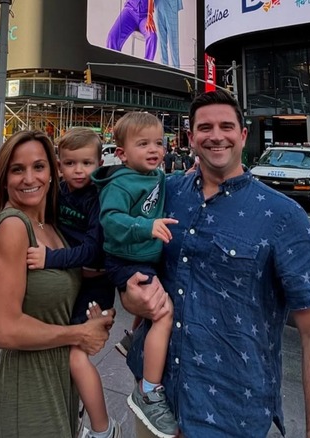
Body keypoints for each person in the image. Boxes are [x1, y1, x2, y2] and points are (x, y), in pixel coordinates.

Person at [123, 89, 310, 437]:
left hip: (230, 415)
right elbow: (135, 260)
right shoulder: (166, 193)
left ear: (243, 135)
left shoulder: (283, 215)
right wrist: (129, 296)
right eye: (204, 127)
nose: (216, 136)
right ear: (191, 137)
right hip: (155, 406)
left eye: (226, 126)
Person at [0, 129, 115, 438]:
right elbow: (3, 330)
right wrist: (80, 333)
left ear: (51, 170)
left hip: (60, 383)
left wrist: (97, 318)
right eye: (18, 169)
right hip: (29, 389)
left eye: (38, 167)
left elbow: (68, 279)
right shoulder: (14, 226)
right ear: (4, 178)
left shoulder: (51, 224)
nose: (30, 178)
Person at [25, 128, 120, 438]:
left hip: (95, 287)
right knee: (62, 347)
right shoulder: (58, 192)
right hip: (76, 279)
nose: (78, 171)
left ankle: (103, 430)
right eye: (70, 163)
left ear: (99, 161)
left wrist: (50, 258)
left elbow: (93, 251)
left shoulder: (98, 197)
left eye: (87, 163)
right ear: (59, 164)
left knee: (76, 355)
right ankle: (74, 412)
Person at [91, 112, 178, 437]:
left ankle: (135, 342)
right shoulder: (121, 182)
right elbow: (111, 219)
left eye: (159, 142)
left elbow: (166, 184)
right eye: (143, 144)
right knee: (164, 313)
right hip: (126, 261)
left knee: (152, 309)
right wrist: (146, 226)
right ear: (123, 153)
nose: (154, 149)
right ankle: (149, 390)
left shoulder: (155, 176)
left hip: (144, 259)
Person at [154, 0, 182, 67]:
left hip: (171, 5)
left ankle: (176, 70)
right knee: (161, 42)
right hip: (158, 4)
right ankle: (164, 68)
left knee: (173, 42)